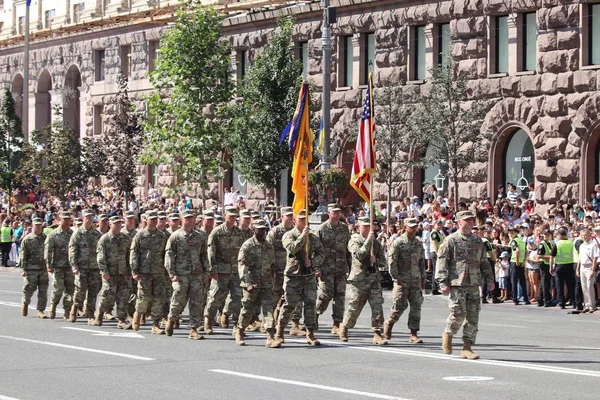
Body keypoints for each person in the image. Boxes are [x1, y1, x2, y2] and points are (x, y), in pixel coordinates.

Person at [435, 210, 495, 360]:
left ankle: (467, 347)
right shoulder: (450, 241)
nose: (470, 222)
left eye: (471, 220)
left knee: (473, 316)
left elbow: (483, 262)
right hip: (457, 283)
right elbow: (442, 262)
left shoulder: (478, 241)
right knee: (458, 313)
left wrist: (490, 279)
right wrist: (442, 282)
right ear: (459, 222)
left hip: (474, 283)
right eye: (466, 220)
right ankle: (448, 333)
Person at [275, 210, 325, 346]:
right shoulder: (288, 235)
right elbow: (292, 249)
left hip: (308, 276)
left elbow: (321, 253)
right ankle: (279, 332)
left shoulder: (313, 238)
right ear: (295, 220)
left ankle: (310, 333)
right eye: (301, 219)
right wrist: (303, 236)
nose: (303, 222)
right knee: (289, 305)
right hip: (294, 276)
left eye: (305, 219)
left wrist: (313, 262)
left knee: (310, 306)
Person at [339, 216, 387, 345]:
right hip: (359, 279)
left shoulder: (376, 244)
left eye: (369, 226)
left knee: (377, 305)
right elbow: (359, 255)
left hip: (373, 279)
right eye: (364, 226)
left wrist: (375, 260)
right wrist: (368, 242)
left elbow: (383, 262)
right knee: (355, 306)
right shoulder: (353, 241)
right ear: (359, 227)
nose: (367, 228)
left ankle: (377, 333)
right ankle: (344, 327)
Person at [165, 210, 209, 340]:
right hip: (181, 274)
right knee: (178, 300)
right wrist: (172, 273)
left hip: (196, 274)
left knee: (196, 302)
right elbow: (169, 255)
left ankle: (193, 329)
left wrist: (206, 271)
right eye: (187, 218)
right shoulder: (176, 236)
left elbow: (204, 255)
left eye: (192, 218)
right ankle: (171, 319)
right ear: (181, 219)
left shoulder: (200, 236)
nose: (189, 220)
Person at [235, 219, 279, 347]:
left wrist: (272, 280)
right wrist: (247, 283)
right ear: (254, 230)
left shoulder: (269, 246)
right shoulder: (248, 245)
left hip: (266, 283)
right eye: (259, 229)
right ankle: (240, 331)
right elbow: (242, 265)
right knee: (247, 310)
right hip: (251, 284)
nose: (261, 232)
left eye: (263, 229)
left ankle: (270, 336)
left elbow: (272, 265)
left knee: (268, 310)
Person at [383, 217, 425, 343]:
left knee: (416, 306)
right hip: (402, 280)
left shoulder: (418, 244)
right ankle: (389, 322)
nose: (413, 229)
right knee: (400, 306)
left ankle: (413, 333)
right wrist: (396, 278)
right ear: (405, 227)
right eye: (411, 227)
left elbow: (421, 262)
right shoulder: (399, 243)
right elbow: (392, 262)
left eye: (415, 226)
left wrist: (422, 278)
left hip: (415, 280)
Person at [204, 206, 244, 334]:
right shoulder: (216, 232)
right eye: (230, 215)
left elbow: (243, 251)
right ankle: (208, 321)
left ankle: (236, 325)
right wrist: (213, 269)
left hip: (235, 271)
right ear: (224, 214)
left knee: (237, 298)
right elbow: (211, 252)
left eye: (234, 216)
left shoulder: (239, 233)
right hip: (220, 271)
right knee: (215, 297)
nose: (232, 218)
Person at [130, 210, 168, 334]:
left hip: (158, 271)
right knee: (144, 297)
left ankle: (156, 324)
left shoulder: (162, 236)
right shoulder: (140, 235)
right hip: (144, 272)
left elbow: (166, 254)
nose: (154, 221)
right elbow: (134, 253)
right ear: (146, 220)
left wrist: (167, 270)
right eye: (152, 219)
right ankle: (138, 314)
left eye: (155, 219)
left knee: (158, 298)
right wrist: (134, 270)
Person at [315, 203, 351, 334]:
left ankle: (337, 324)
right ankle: (315, 315)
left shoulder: (344, 229)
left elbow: (348, 249)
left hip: (341, 268)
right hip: (326, 268)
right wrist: (317, 268)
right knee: (326, 294)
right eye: (334, 212)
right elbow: (316, 250)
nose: (336, 214)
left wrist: (350, 267)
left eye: (338, 212)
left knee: (340, 296)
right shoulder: (322, 229)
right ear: (329, 213)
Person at [93, 216, 132, 329]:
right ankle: (99, 315)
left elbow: (128, 256)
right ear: (111, 224)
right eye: (116, 223)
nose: (118, 226)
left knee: (123, 297)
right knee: (107, 296)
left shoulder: (125, 239)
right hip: (109, 273)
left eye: (120, 224)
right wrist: (104, 271)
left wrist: (129, 271)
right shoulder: (105, 239)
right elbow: (101, 258)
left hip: (122, 273)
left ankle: (121, 320)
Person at [68, 209, 103, 323]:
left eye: (91, 217)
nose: (89, 219)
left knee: (93, 291)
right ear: (83, 218)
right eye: (87, 217)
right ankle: (74, 309)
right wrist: (74, 266)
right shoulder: (78, 233)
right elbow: (72, 250)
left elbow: (101, 251)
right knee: (80, 289)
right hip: (81, 267)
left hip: (94, 267)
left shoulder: (97, 234)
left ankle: (90, 314)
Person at [268, 207, 295, 327]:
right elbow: (268, 250)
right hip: (277, 269)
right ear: (282, 216)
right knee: (274, 296)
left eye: (291, 215)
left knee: (288, 297)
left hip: (291, 270)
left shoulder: (295, 232)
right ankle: (268, 321)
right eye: (287, 215)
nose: (289, 218)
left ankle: (280, 320)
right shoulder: (275, 232)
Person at [44, 211, 74, 320]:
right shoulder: (53, 234)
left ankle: (67, 311)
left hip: (70, 266)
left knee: (70, 290)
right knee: (58, 288)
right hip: (57, 266)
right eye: (64, 219)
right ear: (60, 220)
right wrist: (49, 265)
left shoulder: (72, 234)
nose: (67, 221)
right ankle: (53, 306)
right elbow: (48, 251)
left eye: (68, 219)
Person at [19, 218, 49, 319]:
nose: (38, 227)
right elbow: (23, 254)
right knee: (29, 289)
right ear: (32, 226)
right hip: (31, 268)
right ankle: (25, 303)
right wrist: (23, 269)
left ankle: (40, 310)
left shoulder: (46, 238)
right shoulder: (28, 239)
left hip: (43, 268)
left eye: (39, 225)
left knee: (43, 290)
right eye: (36, 225)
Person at [550, 228, 576, 310]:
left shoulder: (557, 243)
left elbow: (552, 256)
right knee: (571, 285)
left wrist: (551, 267)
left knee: (559, 285)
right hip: (570, 265)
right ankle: (574, 302)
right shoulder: (571, 243)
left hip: (560, 266)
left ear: (560, 235)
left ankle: (561, 303)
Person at [576, 229, 597, 313]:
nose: (584, 237)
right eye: (583, 235)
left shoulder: (593, 244)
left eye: (586, 235)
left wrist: (593, 269)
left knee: (589, 286)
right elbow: (580, 258)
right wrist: (577, 268)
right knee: (584, 287)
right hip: (582, 267)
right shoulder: (581, 245)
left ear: (589, 235)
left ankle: (592, 305)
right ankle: (587, 304)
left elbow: (595, 257)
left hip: (589, 266)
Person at [509, 226, 530, 305]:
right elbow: (526, 251)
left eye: (512, 232)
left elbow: (517, 251)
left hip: (515, 262)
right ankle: (526, 298)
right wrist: (523, 261)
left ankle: (515, 299)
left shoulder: (515, 241)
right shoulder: (521, 240)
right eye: (510, 232)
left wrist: (517, 261)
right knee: (522, 281)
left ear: (516, 233)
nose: (510, 234)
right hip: (521, 263)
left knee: (514, 281)